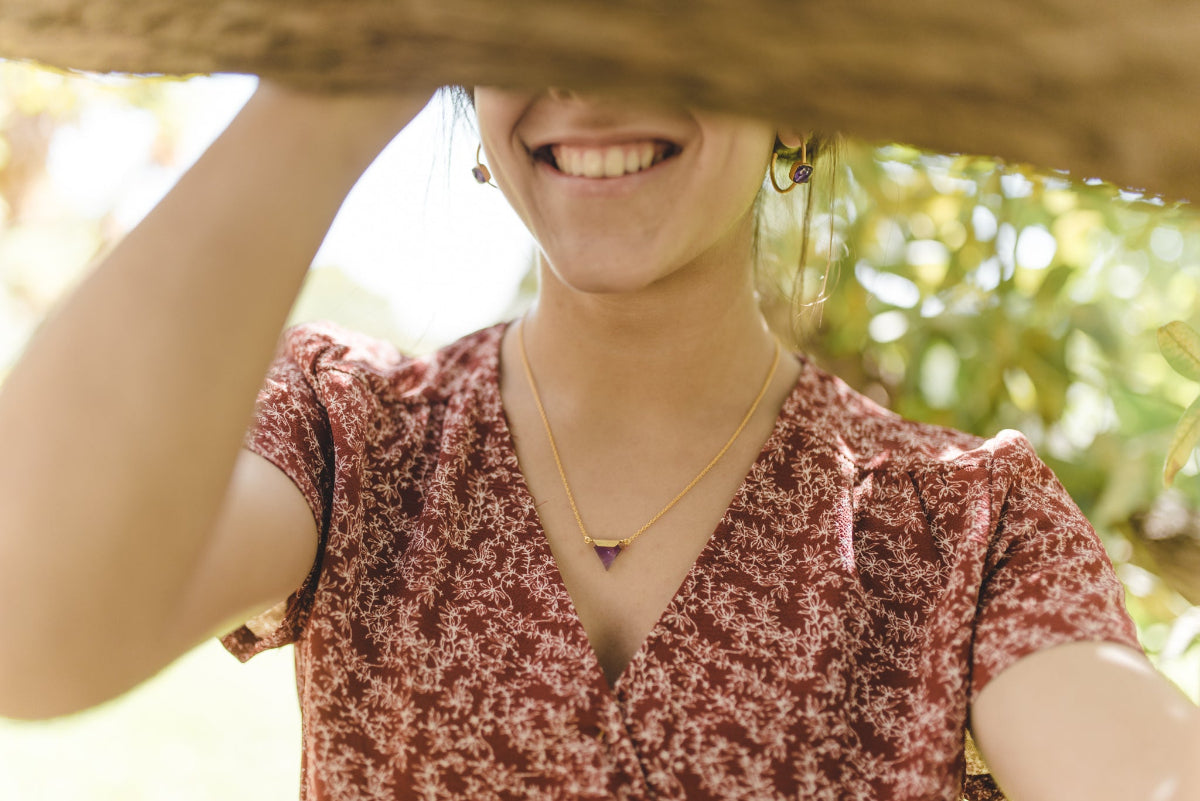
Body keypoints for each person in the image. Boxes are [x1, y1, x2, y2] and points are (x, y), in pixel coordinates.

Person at [0, 79, 1196, 801]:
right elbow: (29, 631)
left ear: (795, 95)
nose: (589, 80)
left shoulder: (968, 526)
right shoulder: (350, 431)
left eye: (671, 18)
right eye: (530, 19)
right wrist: (333, 89)